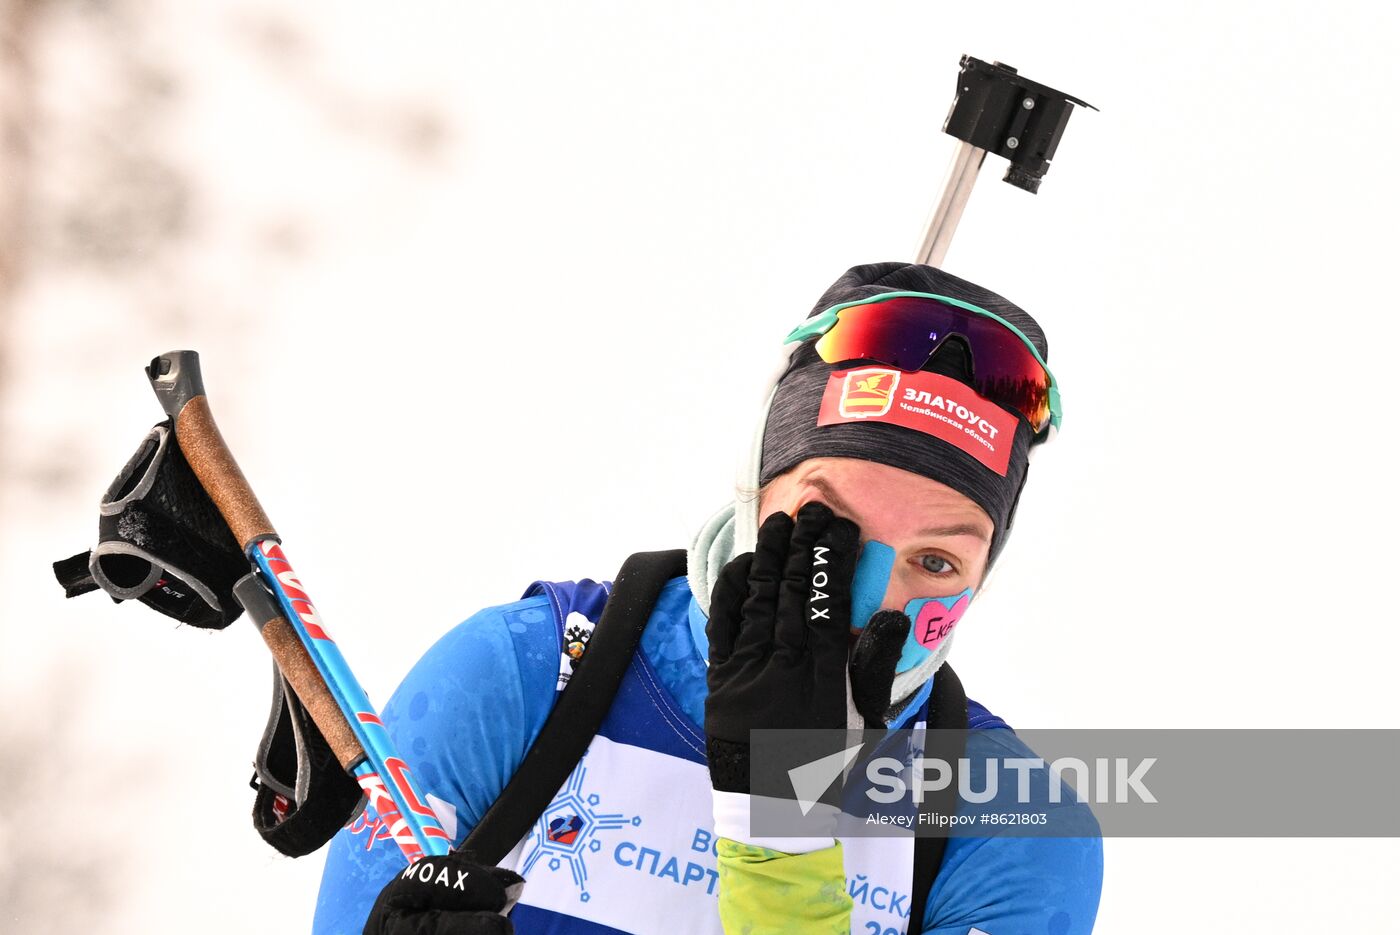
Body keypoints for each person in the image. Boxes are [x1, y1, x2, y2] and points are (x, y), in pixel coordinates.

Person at [313, 262, 1104, 934]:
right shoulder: (527, 669)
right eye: (828, 531)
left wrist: (785, 824)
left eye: (936, 559)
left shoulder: (1009, 821)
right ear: (755, 492)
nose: (869, 602)